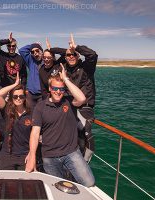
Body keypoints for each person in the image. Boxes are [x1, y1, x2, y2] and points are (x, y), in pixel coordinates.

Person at [25, 65, 95, 187]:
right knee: (57, 188)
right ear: (50, 88)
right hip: (49, 156)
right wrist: (32, 156)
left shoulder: (69, 101)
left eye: (61, 89)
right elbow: (35, 134)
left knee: (89, 182)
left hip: (71, 152)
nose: (58, 91)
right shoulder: (40, 107)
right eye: (55, 88)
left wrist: (66, 79)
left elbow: (82, 98)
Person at [49, 34, 98, 162]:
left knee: (82, 131)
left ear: (78, 56)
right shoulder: (64, 69)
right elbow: (52, 52)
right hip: (70, 106)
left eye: (74, 55)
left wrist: (75, 47)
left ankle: (83, 161)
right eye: (68, 55)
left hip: (84, 107)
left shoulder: (87, 68)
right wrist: (66, 51)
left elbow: (93, 55)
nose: (71, 57)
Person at [0, 72, 31, 170]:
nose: (18, 99)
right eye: (15, 96)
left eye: (21, 96)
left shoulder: (30, 113)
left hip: (25, 155)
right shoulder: (7, 110)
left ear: (25, 98)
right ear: (11, 97)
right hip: (8, 155)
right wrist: (15, 85)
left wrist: (31, 154)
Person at [19, 42, 44, 112]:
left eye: (37, 51)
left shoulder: (46, 61)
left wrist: (37, 46)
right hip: (30, 94)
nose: (35, 53)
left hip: (41, 94)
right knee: (30, 113)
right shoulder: (31, 61)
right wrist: (33, 45)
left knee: (40, 113)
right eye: (32, 52)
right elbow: (21, 50)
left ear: (41, 51)